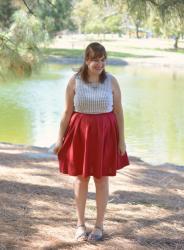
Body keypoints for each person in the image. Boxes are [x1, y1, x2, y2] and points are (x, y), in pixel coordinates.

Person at [54, 42, 129, 242]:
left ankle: (99, 225)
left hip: (105, 134)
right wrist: (59, 139)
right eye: (95, 59)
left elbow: (119, 112)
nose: (99, 63)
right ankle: (80, 224)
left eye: (103, 59)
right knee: (81, 178)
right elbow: (67, 112)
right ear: (87, 60)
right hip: (80, 134)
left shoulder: (112, 81)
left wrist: (122, 140)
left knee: (101, 179)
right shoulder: (75, 81)